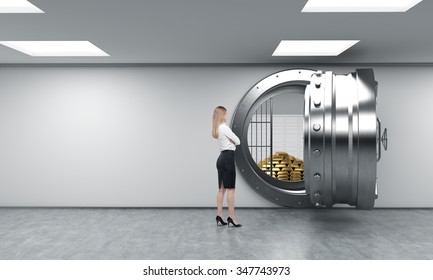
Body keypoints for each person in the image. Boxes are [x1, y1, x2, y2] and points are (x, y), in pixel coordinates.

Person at [212, 106, 242, 227]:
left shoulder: (217, 128)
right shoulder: (224, 127)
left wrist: (231, 142)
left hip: (220, 159)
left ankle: (219, 215)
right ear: (222, 115)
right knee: (231, 190)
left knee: (221, 189)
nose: (227, 115)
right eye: (226, 113)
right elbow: (238, 141)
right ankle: (232, 218)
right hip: (228, 159)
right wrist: (232, 142)